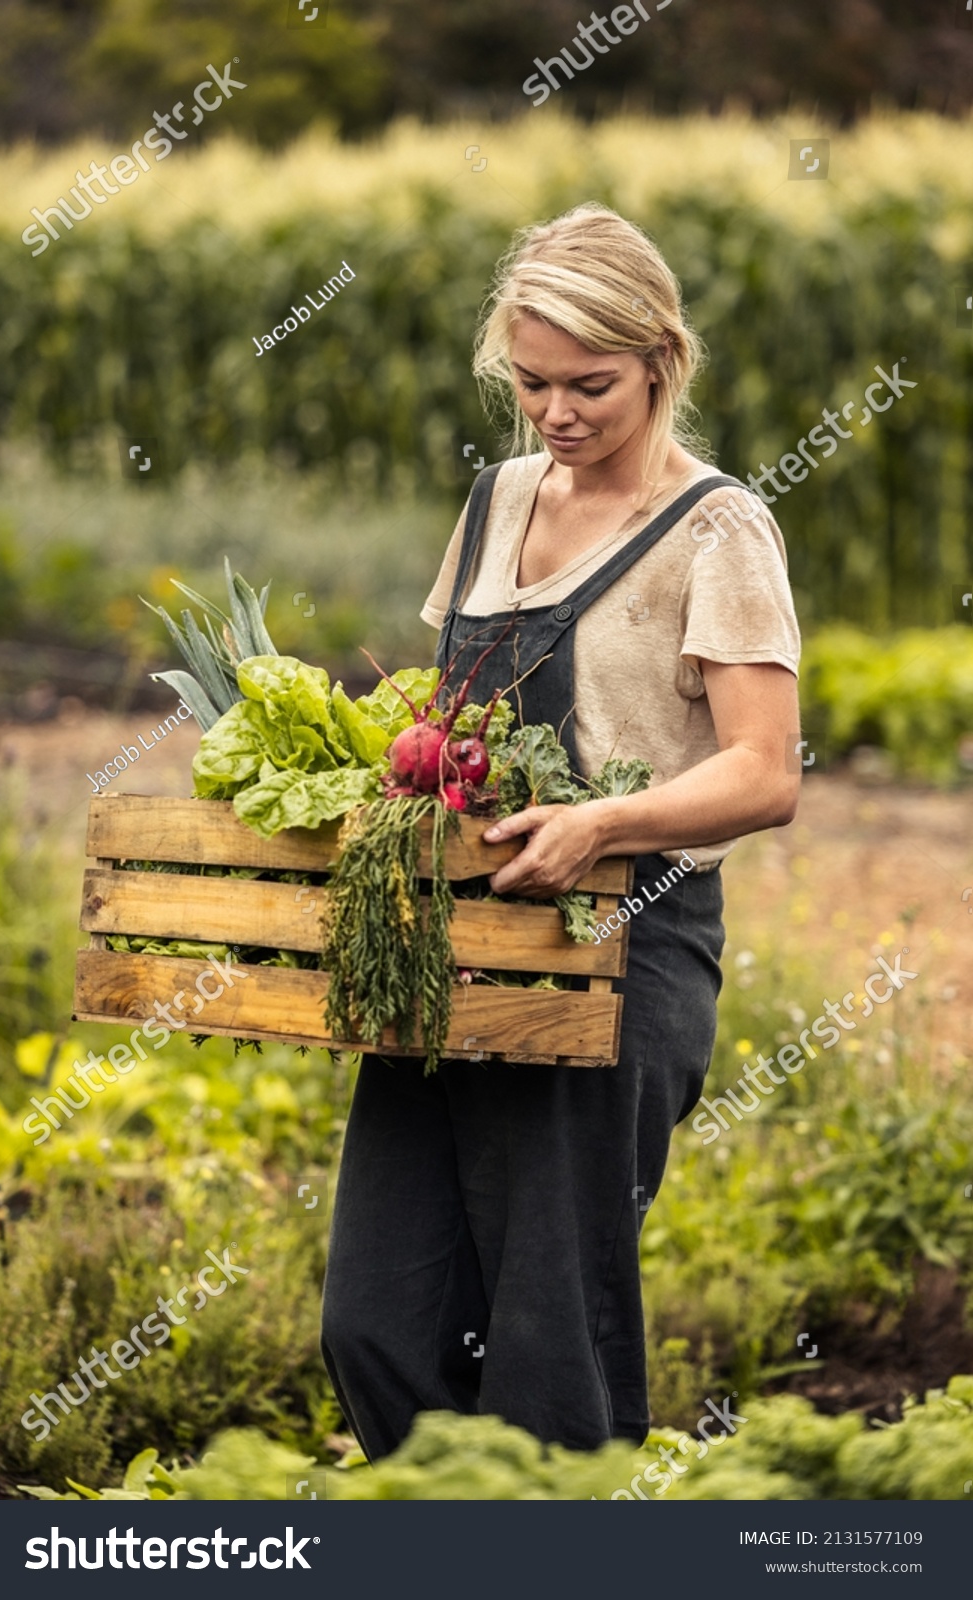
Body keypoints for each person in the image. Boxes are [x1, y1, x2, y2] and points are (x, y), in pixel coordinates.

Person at [321, 202, 802, 1461]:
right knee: (378, 1316)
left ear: (660, 359)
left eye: (589, 384)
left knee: (547, 1338)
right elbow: (441, 706)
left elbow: (764, 772)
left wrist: (602, 822)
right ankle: (443, 1534)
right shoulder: (493, 502)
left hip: (621, 948)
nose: (557, 412)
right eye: (530, 384)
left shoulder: (715, 530)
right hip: (457, 950)